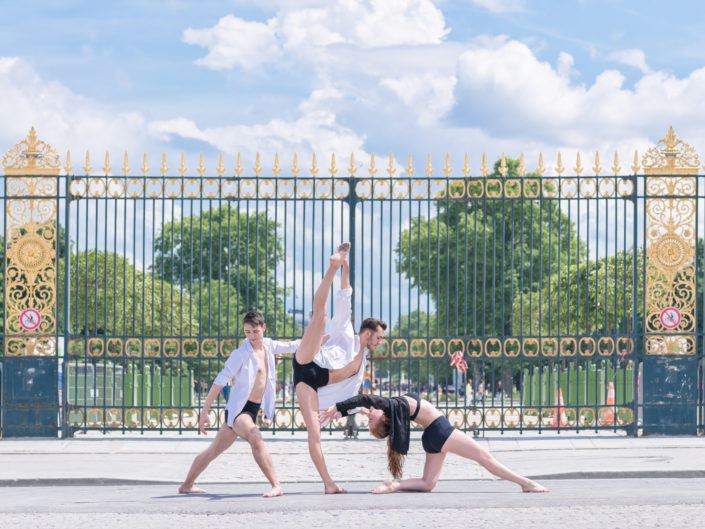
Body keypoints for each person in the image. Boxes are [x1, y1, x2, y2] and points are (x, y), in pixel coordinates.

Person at [293, 242, 387, 494]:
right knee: (320, 316)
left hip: (311, 385)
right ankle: (330, 267)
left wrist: (367, 412)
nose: (380, 343)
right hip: (309, 362)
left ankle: (328, 484)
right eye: (378, 337)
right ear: (367, 333)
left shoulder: (363, 363)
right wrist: (342, 265)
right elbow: (345, 295)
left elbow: (352, 395)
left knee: (315, 435)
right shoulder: (345, 332)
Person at [320, 393, 549, 494]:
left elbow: (363, 406)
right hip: (440, 430)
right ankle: (525, 483)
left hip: (431, 436)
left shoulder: (391, 411)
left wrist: (343, 412)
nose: (369, 413)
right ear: (384, 419)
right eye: (371, 419)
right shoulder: (389, 408)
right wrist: (339, 407)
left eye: (369, 417)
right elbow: (363, 399)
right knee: (484, 457)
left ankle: (394, 485)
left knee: (428, 483)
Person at [178, 310, 301, 497]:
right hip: (239, 411)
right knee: (255, 436)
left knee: (213, 451)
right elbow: (220, 380)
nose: (251, 336)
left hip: (252, 410)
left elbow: (295, 345)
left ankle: (186, 485)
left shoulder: (269, 346)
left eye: (255, 331)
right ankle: (276, 485)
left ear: (263, 328)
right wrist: (204, 412)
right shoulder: (241, 354)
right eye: (247, 332)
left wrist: (328, 338)